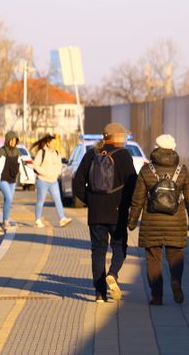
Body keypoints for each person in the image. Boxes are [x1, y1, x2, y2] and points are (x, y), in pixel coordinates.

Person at [128, 134, 189, 306]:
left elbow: (137, 198)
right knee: (175, 255)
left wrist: (132, 221)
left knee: (153, 258)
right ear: (174, 148)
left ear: (156, 147)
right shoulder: (182, 170)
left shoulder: (146, 170)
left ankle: (157, 296)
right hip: (176, 220)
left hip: (152, 221)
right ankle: (175, 280)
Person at [73, 122, 137, 303]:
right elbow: (133, 183)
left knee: (98, 251)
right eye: (122, 136)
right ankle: (113, 273)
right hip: (117, 212)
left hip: (96, 213)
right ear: (114, 137)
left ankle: (99, 294)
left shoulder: (90, 155)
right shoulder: (123, 155)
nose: (124, 139)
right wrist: (128, 205)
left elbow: (77, 184)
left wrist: (91, 201)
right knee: (120, 246)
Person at [32, 134, 72, 228]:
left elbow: (59, 165)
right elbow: (35, 165)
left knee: (58, 200)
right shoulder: (42, 152)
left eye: (55, 143)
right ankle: (37, 220)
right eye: (53, 143)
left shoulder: (57, 153)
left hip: (53, 181)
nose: (55, 145)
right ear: (48, 143)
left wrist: (56, 173)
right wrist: (44, 173)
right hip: (42, 181)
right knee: (41, 201)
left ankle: (62, 219)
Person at [0, 131, 22, 229]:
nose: (13, 142)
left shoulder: (17, 151)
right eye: (11, 140)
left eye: (15, 140)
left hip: (12, 179)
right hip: (2, 178)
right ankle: (6, 222)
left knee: (7, 200)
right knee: (9, 198)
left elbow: (20, 164)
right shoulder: (1, 151)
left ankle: (5, 219)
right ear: (8, 140)